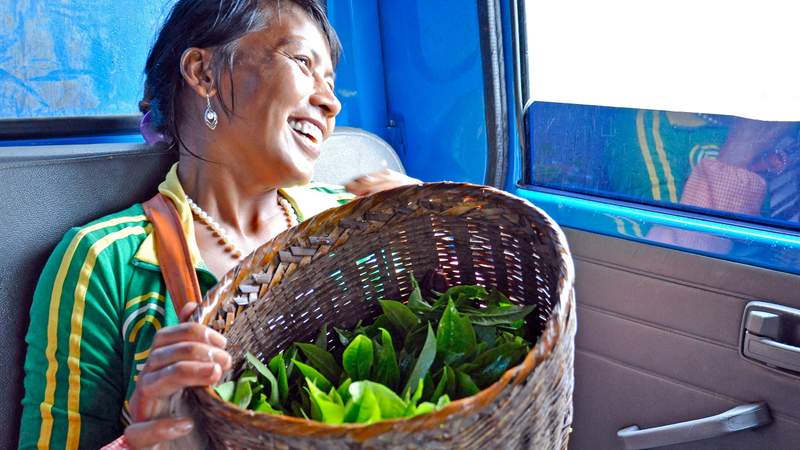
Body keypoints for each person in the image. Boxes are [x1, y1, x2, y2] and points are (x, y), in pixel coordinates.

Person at [18, 1, 419, 449]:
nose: (330, 102)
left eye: (331, 82)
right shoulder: (104, 261)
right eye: (303, 62)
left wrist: (429, 234)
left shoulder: (353, 221)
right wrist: (145, 440)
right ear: (203, 72)